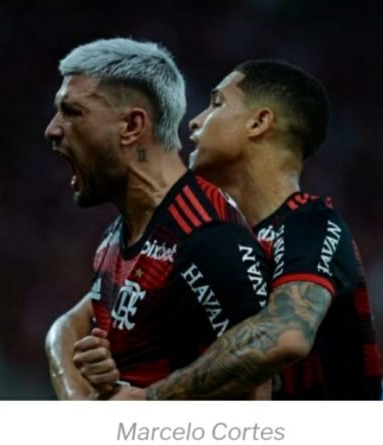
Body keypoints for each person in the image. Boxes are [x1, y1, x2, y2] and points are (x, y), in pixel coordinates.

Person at [79, 60, 383, 400]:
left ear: (258, 122)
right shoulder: (202, 237)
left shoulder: (310, 226)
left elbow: (286, 336)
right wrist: (104, 371)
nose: (194, 121)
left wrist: (151, 400)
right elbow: (70, 326)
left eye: (216, 104)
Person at [42, 38, 270, 400]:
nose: (52, 129)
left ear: (132, 126)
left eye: (72, 112)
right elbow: (66, 329)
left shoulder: (208, 237)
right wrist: (87, 395)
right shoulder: (118, 236)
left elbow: (256, 393)